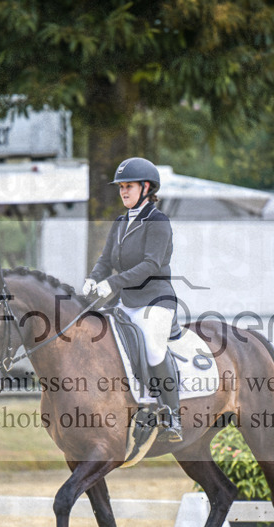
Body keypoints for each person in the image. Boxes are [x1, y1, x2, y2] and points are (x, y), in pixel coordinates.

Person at [83, 157, 183, 442]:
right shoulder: (120, 222)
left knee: (152, 348)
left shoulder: (159, 223)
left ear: (146, 188)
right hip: (126, 302)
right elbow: (105, 260)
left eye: (129, 186)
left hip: (156, 301)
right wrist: (93, 278)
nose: (123, 192)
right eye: (121, 187)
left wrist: (112, 283)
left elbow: (151, 265)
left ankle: (173, 415)